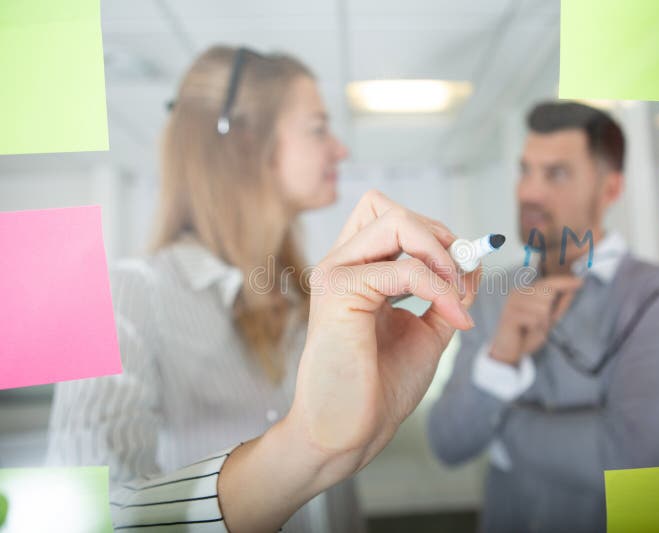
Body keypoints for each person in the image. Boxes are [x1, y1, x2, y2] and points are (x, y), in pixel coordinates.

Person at [45, 46, 479, 531]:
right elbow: (82, 518)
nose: (341, 149)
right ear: (245, 144)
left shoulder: (311, 299)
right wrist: (306, 448)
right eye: (318, 129)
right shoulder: (119, 298)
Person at [427, 102, 659, 532]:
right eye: (526, 170)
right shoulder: (492, 295)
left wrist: (502, 431)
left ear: (609, 189)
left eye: (556, 173)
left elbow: (636, 459)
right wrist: (501, 358)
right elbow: (447, 442)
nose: (528, 192)